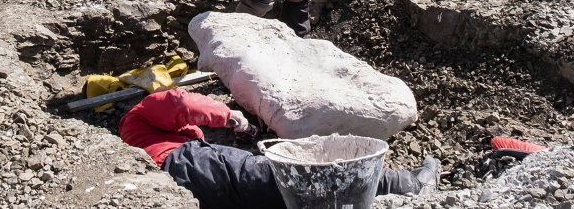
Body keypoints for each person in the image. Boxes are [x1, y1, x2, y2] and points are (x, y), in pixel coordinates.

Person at [119, 89, 439, 209]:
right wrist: (229, 117)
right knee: (276, 175)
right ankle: (402, 184)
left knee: (270, 194)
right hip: (186, 165)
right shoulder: (136, 119)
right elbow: (178, 101)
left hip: (186, 187)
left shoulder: (137, 147)